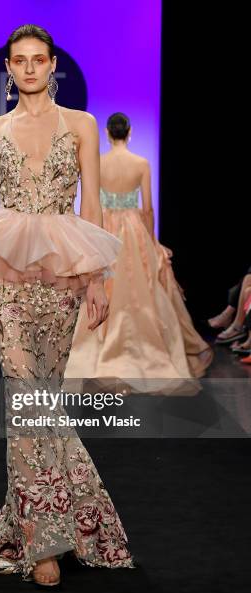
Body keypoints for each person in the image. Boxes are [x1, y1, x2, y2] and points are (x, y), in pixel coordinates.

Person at [0, 25, 135, 587]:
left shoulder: (82, 125)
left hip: (63, 275)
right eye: (19, 62)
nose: (29, 69)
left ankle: (32, 518)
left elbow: (93, 207)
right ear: (9, 69)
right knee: (25, 392)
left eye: (38, 60)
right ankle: (45, 542)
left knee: (41, 399)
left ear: (54, 66)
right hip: (4, 273)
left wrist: (98, 280)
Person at [64, 112, 213, 393]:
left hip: (105, 226)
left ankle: (99, 348)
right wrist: (153, 241)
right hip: (132, 229)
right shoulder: (141, 163)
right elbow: (147, 208)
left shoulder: (97, 162)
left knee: (105, 284)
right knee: (136, 289)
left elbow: (91, 201)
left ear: (107, 133)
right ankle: (139, 348)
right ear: (129, 132)